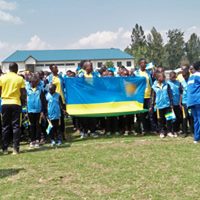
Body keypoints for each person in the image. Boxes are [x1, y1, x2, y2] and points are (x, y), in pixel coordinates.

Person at [0, 62, 26, 155]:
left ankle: (5, 148)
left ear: (9, 69)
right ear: (16, 69)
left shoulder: (2, 78)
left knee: (5, 126)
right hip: (16, 103)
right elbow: (23, 93)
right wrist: (23, 103)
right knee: (16, 126)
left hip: (5, 103)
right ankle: (16, 148)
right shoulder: (20, 79)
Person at [150, 72, 174, 138]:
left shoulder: (167, 85)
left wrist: (171, 104)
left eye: (164, 77)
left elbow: (170, 94)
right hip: (159, 105)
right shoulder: (154, 86)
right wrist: (151, 106)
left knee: (169, 119)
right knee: (160, 120)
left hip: (167, 105)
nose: (163, 78)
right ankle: (162, 132)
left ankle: (169, 131)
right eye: (162, 77)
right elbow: (152, 97)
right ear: (158, 78)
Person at [26, 75, 46, 148]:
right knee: (31, 126)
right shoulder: (27, 89)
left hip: (38, 111)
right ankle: (32, 140)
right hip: (30, 111)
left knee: (38, 126)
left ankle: (37, 140)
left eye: (37, 82)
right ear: (31, 82)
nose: (36, 83)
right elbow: (25, 100)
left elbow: (43, 100)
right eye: (34, 82)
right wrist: (26, 111)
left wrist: (43, 111)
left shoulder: (40, 89)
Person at [134, 58, 152, 134]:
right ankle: (140, 130)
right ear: (139, 64)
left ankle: (149, 129)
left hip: (148, 96)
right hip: (140, 97)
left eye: (145, 63)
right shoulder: (136, 73)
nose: (144, 64)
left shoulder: (149, 73)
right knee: (140, 115)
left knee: (149, 114)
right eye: (142, 63)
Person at [187, 61, 200, 143]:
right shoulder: (199, 75)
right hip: (198, 100)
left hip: (191, 101)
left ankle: (196, 138)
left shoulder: (191, 77)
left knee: (196, 120)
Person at [179, 66, 194, 137]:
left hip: (191, 102)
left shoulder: (192, 81)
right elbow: (181, 93)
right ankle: (185, 132)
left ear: (188, 74)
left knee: (191, 117)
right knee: (185, 117)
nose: (184, 77)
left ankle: (192, 132)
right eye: (183, 76)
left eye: (185, 75)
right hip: (184, 103)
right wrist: (180, 102)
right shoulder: (181, 83)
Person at [168, 71, 182, 136]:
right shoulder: (167, 83)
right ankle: (172, 130)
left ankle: (177, 129)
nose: (174, 78)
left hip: (177, 103)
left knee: (178, 117)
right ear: (170, 77)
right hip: (170, 104)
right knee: (172, 118)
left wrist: (180, 102)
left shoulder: (178, 83)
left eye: (175, 77)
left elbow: (180, 93)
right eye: (172, 77)